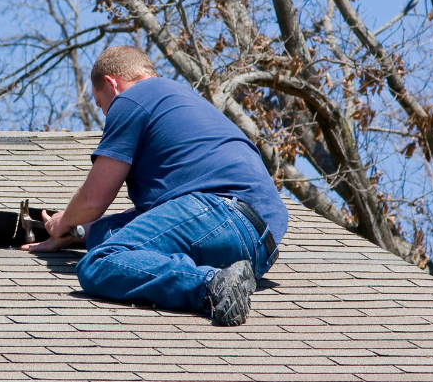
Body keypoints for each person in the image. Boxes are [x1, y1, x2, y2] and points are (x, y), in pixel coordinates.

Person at [24, 46, 287, 325]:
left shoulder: (132, 99)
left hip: (220, 211)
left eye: (101, 104)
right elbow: (153, 220)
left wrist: (63, 221)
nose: (106, 114)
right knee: (108, 236)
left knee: (99, 262)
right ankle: (226, 278)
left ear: (112, 84)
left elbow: (93, 200)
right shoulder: (179, 101)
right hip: (258, 247)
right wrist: (79, 233)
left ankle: (211, 283)